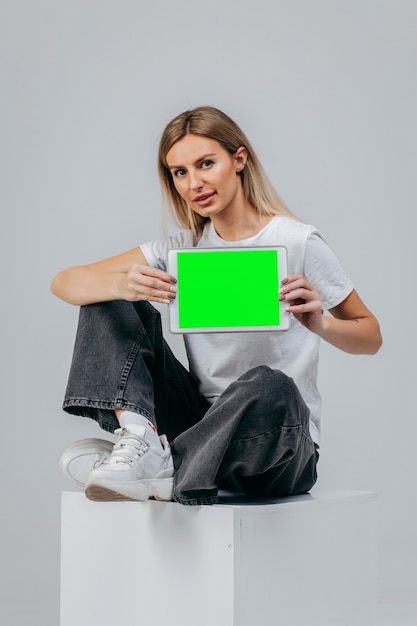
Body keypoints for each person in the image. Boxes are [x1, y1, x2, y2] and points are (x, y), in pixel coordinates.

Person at [51, 106, 382, 506]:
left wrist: (320, 324)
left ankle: (163, 463)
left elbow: (371, 336)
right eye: (180, 172)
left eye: (206, 163)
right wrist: (123, 283)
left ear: (239, 159)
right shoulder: (178, 250)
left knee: (271, 383)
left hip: (277, 443)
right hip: (199, 420)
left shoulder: (298, 242)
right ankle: (143, 441)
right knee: (104, 297)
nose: (195, 183)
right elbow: (65, 282)